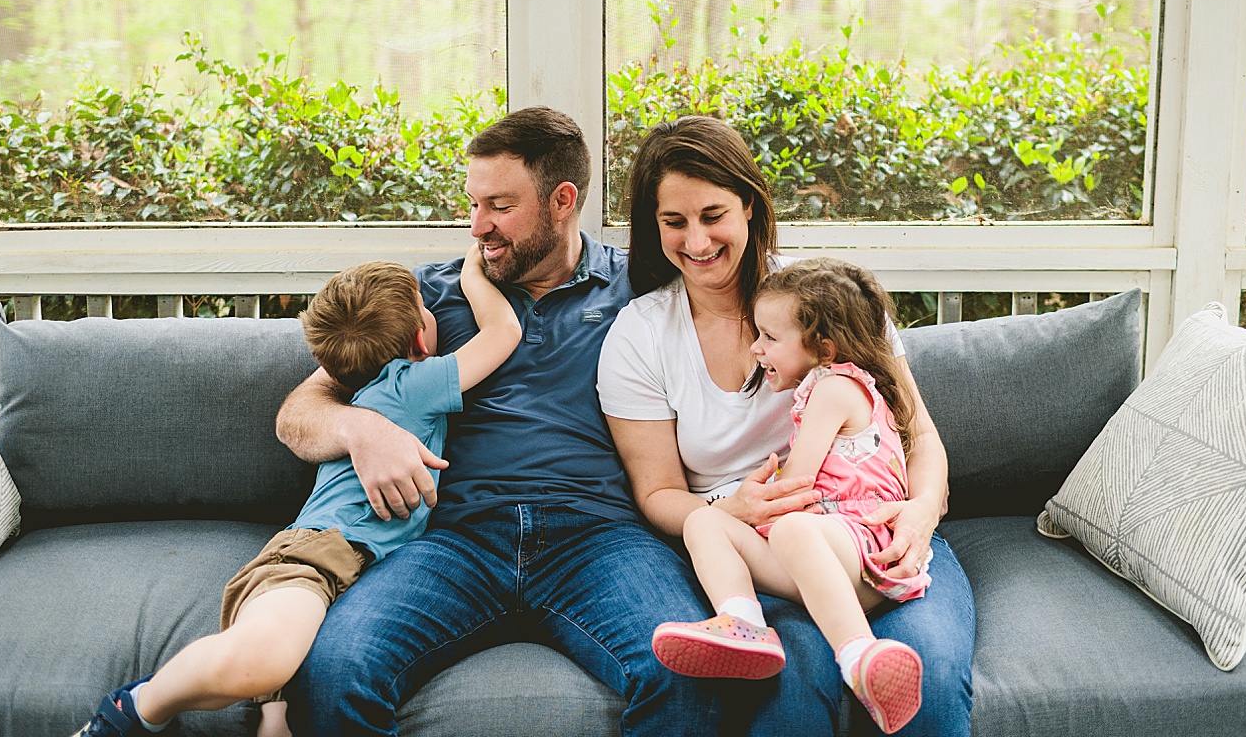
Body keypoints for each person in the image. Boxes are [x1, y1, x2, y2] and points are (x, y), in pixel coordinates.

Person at [274, 107, 723, 737]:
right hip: (454, 539)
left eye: (500, 205)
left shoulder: (643, 290)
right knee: (333, 670)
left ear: (562, 201)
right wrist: (362, 430)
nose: (477, 224)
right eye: (474, 201)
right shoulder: (425, 299)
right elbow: (298, 414)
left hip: (599, 538)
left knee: (688, 670)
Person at [599, 115, 975, 736]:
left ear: (749, 203)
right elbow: (658, 493)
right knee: (791, 697)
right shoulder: (642, 334)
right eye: (674, 222)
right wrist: (734, 510)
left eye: (713, 214)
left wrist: (920, 515)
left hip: (875, 535)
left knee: (927, 682)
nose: (696, 241)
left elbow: (920, 435)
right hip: (765, 553)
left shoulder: (824, 298)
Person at [70, 252, 520, 737]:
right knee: (260, 661)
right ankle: (132, 710)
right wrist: (473, 275)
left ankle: (268, 708)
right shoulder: (411, 385)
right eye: (425, 307)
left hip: (368, 567)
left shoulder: (360, 387)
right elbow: (504, 335)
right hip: (320, 555)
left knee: (283, 710)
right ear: (419, 338)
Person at [652, 258, 931, 735]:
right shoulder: (822, 386)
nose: (756, 348)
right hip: (823, 559)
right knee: (703, 520)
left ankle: (859, 653)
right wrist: (735, 515)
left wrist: (757, 500)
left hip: (863, 551)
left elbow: (797, 488)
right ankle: (743, 624)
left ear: (823, 347)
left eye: (769, 338)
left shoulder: (835, 388)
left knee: (791, 527)